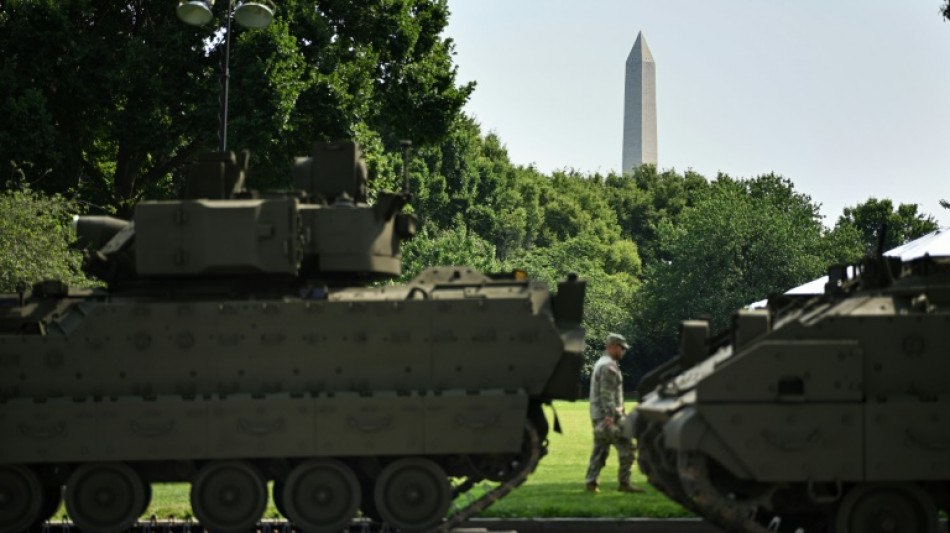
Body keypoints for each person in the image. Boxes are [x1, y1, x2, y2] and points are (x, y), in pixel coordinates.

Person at [585, 333, 644, 494]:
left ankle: (591, 483)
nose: (623, 351)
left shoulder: (601, 363)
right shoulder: (608, 366)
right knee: (628, 447)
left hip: (599, 415)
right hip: (609, 416)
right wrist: (610, 416)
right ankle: (624, 483)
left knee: (600, 449)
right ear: (612, 346)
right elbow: (607, 394)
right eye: (621, 348)